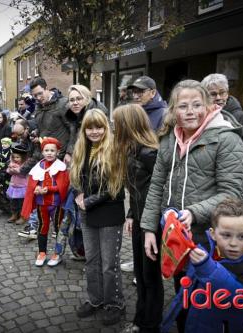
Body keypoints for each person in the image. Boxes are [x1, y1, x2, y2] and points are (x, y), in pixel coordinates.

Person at [141, 79, 243, 332]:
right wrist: (148, 229)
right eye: (183, 105)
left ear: (208, 106)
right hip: (176, 237)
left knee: (207, 307)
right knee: (183, 299)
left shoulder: (226, 140)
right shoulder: (169, 139)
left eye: (197, 104)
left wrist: (194, 212)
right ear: (173, 110)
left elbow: (232, 194)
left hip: (209, 239)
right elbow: (156, 184)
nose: (190, 111)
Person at [161, 199, 243, 333]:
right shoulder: (206, 247)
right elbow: (179, 236)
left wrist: (208, 269)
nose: (233, 243)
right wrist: (171, 215)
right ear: (213, 234)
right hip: (193, 320)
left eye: (242, 236)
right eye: (226, 235)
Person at [70, 109, 126, 325]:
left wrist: (87, 202)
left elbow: (116, 189)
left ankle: (115, 303)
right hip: (87, 213)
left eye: (99, 127)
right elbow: (74, 178)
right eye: (90, 127)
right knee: (92, 261)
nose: (94, 132)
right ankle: (95, 299)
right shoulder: (81, 149)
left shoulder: (114, 150)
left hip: (109, 213)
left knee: (109, 264)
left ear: (106, 128)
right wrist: (78, 196)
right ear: (84, 129)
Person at [112, 104, 160, 333]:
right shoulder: (131, 150)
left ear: (128, 125)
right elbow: (137, 189)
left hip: (152, 223)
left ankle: (149, 324)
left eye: (117, 124)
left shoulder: (150, 153)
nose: (114, 127)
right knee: (140, 275)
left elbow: (158, 192)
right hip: (139, 218)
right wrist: (131, 214)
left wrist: (148, 223)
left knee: (150, 277)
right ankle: (141, 320)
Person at [201, 73, 243, 203]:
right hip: (204, 193)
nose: (218, 97)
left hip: (235, 192)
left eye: (222, 93)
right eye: (213, 94)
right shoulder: (199, 119)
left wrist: (225, 173)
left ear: (227, 93)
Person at [21, 137, 69, 267]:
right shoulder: (39, 166)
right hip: (42, 203)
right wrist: (35, 188)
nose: (49, 153)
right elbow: (33, 183)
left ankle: (58, 254)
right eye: (46, 150)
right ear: (42, 152)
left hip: (56, 204)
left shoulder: (61, 167)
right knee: (42, 227)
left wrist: (48, 189)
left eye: (52, 151)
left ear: (57, 152)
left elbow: (63, 186)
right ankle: (42, 253)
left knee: (58, 229)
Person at [30, 77, 73, 163]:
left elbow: (74, 128)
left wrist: (69, 152)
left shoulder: (63, 104)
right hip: (46, 156)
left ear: (46, 88)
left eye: (40, 93)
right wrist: (36, 133)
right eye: (35, 96)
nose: (38, 98)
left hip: (61, 156)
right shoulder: (38, 106)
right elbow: (45, 127)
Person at [66, 84, 109, 152]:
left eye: (79, 99)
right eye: (71, 100)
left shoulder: (97, 114)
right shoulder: (73, 115)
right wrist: (69, 152)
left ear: (87, 99)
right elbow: (73, 136)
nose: (75, 103)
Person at [6, 144, 28, 224]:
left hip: (22, 186)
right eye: (14, 157)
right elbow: (8, 171)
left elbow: (22, 174)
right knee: (13, 201)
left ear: (23, 157)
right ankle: (14, 215)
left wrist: (15, 170)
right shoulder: (12, 163)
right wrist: (10, 169)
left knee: (21, 202)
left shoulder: (25, 165)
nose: (15, 159)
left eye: (18, 157)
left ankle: (22, 216)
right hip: (14, 186)